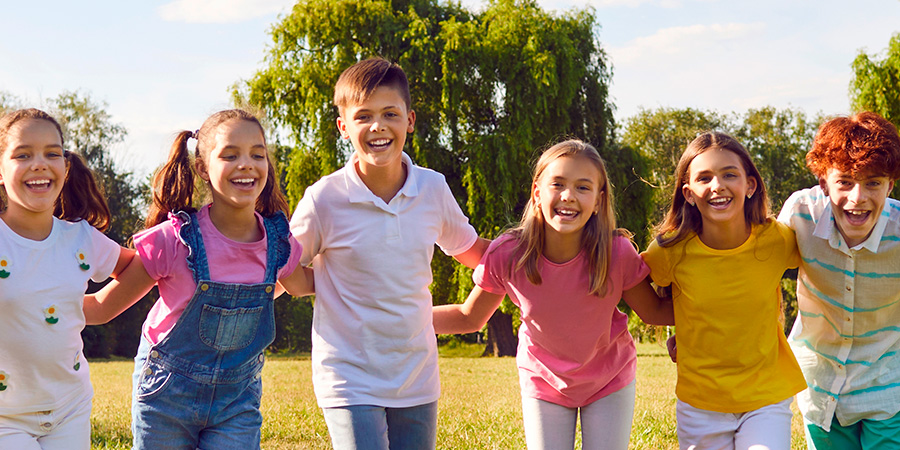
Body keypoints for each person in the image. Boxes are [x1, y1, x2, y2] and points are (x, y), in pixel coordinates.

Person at [82, 109, 314, 450]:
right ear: (203, 168)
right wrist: (28, 299)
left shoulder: (278, 244)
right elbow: (102, 308)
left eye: (257, 155)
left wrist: (365, 263)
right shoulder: (175, 240)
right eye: (230, 155)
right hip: (166, 396)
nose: (247, 164)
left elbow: (305, 285)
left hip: (236, 402)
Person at [289, 57, 488, 450]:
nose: (377, 126)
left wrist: (538, 254)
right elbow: (287, 273)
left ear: (409, 121)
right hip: (348, 376)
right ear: (344, 127)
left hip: (416, 375)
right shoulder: (323, 199)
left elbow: (477, 254)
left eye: (390, 114)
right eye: (363, 116)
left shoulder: (432, 189)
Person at [432, 139, 674, 450]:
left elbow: (655, 312)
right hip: (543, 381)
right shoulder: (509, 254)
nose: (568, 195)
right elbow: (470, 317)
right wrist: (395, 319)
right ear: (537, 193)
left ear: (598, 201)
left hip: (609, 379)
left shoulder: (616, 253)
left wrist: (721, 310)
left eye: (583, 187)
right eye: (557, 184)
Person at [642, 131, 805, 450]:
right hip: (700, 404)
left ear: (750, 185)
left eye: (729, 174)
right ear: (689, 193)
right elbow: (635, 285)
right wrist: (687, 323)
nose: (717, 185)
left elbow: (824, 257)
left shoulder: (776, 239)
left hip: (766, 397)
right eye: (704, 178)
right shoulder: (670, 250)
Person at [0, 108, 131, 449]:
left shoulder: (81, 239)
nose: (39, 164)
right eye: (23, 155)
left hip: (69, 409)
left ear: (65, 166)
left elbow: (137, 268)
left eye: (52, 153)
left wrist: (98, 306)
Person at [777, 112, 900, 449]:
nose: (857, 197)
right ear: (824, 183)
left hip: (888, 388)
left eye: (873, 183)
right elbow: (754, 274)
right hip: (820, 387)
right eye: (844, 182)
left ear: (890, 186)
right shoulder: (801, 214)